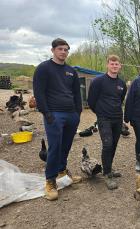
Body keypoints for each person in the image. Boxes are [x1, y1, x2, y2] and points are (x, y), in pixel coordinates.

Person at [33, 38, 82, 200]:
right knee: (55, 146)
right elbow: (39, 93)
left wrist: (78, 113)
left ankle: (62, 170)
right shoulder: (43, 69)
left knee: (66, 145)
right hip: (54, 114)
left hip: (71, 115)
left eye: (66, 49)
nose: (63, 52)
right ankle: (50, 181)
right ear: (53, 50)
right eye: (60, 49)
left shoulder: (71, 71)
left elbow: (76, 94)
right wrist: (47, 114)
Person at [87, 55, 127, 190]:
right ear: (107, 65)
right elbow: (91, 101)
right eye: (112, 64)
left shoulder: (122, 84)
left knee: (114, 144)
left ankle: (108, 168)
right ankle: (107, 174)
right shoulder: (99, 81)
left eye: (117, 64)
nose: (114, 66)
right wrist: (100, 113)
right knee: (107, 144)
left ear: (120, 66)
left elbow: (120, 99)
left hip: (117, 118)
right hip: (104, 118)